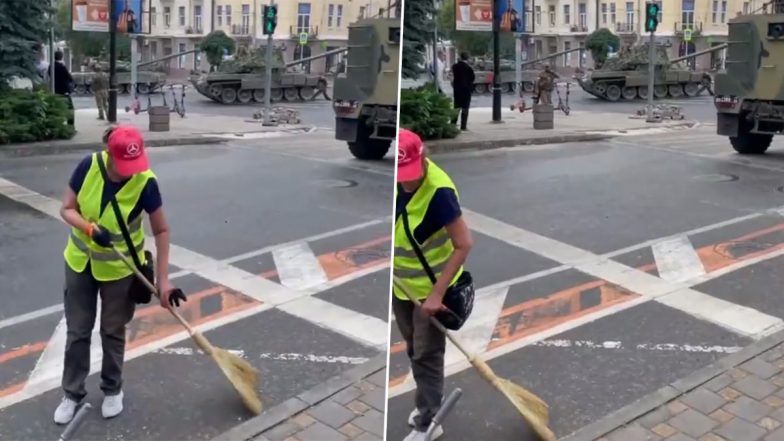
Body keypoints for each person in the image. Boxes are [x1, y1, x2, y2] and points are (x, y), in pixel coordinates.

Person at [54, 124, 186, 425]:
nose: (131, 171)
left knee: (113, 331)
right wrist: (89, 228)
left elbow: (162, 230)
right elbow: (66, 208)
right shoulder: (89, 166)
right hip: (79, 264)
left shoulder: (145, 182)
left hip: (120, 270)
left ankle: (113, 389)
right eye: (124, 165)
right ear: (109, 156)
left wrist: (163, 280)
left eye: (135, 164)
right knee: (77, 332)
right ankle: (72, 393)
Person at [393, 128, 473, 441]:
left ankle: (429, 421)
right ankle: (427, 406)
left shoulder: (439, 192)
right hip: (402, 285)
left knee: (426, 355)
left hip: (431, 289)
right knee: (415, 349)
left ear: (423, 158)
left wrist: (437, 294)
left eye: (411, 173)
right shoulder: (396, 183)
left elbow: (464, 244)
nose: (407, 181)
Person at [450, 53, 475, 131]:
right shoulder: (469, 68)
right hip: (466, 91)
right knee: (465, 108)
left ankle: (453, 124)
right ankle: (463, 126)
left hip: (457, 90)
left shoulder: (455, 67)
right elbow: (472, 78)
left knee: (456, 107)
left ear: (460, 58)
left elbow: (452, 77)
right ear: (467, 58)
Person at [50, 51, 75, 127]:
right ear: (61, 57)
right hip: (64, 91)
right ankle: (70, 125)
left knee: (56, 108)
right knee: (70, 108)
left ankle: (57, 124)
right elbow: (69, 77)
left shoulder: (51, 66)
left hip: (55, 90)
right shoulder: (62, 67)